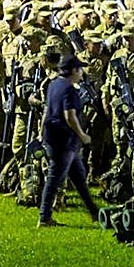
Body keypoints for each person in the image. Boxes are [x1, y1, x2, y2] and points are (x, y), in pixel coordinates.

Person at [38, 54, 99, 228]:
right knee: (53, 180)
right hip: (64, 141)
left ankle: (94, 212)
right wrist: (82, 135)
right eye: (80, 69)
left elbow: (47, 110)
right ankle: (44, 217)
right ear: (73, 70)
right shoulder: (70, 90)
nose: (82, 73)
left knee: (79, 177)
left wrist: (41, 133)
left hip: (54, 138)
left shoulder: (53, 85)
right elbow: (70, 116)